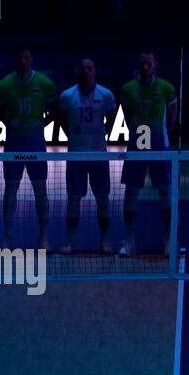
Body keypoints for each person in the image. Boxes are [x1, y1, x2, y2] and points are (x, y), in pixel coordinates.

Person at [0, 47, 56, 249]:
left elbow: (54, 112)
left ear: (32, 59)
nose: (23, 60)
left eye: (26, 56)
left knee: (41, 191)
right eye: (19, 56)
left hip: (36, 146)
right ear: (15, 60)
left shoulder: (45, 84)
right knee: (10, 190)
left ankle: (44, 236)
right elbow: (1, 112)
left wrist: (39, 126)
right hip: (13, 146)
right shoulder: (4, 86)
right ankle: (7, 236)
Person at [118, 52, 178, 257]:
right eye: (142, 63)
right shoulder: (128, 89)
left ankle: (169, 240)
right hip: (137, 147)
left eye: (149, 63)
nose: (145, 66)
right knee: (131, 193)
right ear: (138, 65)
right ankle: (128, 240)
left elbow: (171, 117)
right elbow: (127, 118)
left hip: (160, 148)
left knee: (165, 194)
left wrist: (160, 136)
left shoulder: (166, 88)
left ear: (155, 65)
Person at [56, 59, 117, 254]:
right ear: (77, 70)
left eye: (89, 67)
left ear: (95, 71)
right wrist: (74, 137)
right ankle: (69, 240)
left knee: (103, 198)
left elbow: (113, 118)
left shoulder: (106, 95)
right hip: (76, 156)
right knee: (73, 198)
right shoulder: (67, 96)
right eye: (83, 67)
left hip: (99, 154)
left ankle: (105, 240)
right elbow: (62, 120)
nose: (86, 71)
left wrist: (101, 134)